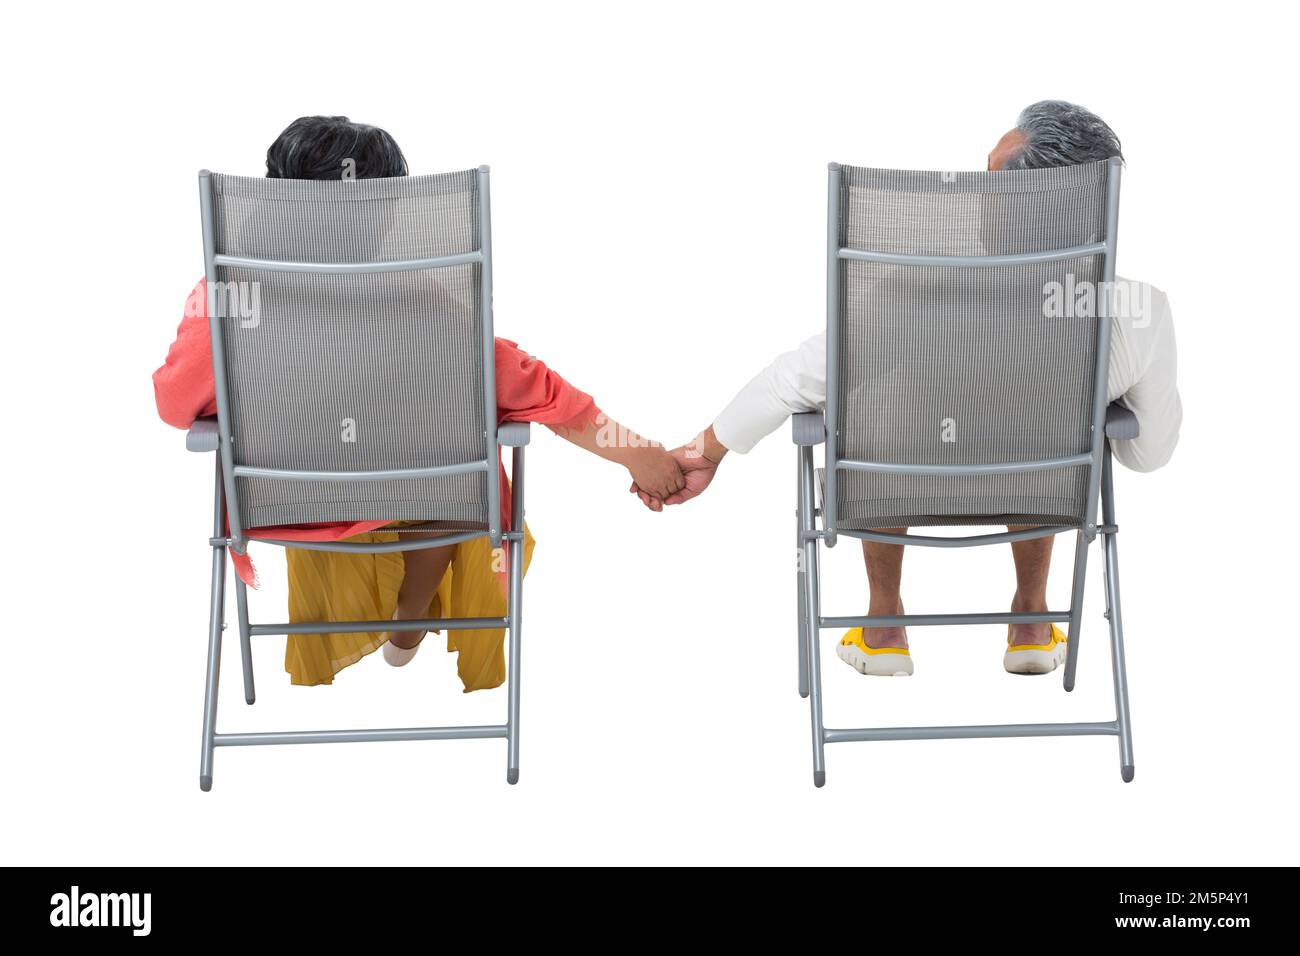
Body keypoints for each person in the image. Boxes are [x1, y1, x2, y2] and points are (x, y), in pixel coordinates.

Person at [636, 101, 1182, 678]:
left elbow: (789, 381)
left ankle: (884, 626)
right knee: (1031, 418)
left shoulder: (911, 291)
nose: (978, 191)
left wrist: (704, 454)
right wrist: (1096, 402)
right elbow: (1148, 455)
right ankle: (1030, 619)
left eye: (991, 179)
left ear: (1030, 203)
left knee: (876, 406)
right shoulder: (1138, 312)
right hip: (1042, 490)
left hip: (903, 484)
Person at [155, 115, 683, 688]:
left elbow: (173, 404)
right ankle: (411, 615)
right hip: (422, 497)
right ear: (386, 209)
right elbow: (538, 392)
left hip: (290, 500)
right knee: (461, 462)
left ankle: (393, 616)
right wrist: (639, 455)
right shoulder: (422, 296)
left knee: (404, 448)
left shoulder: (228, 299)